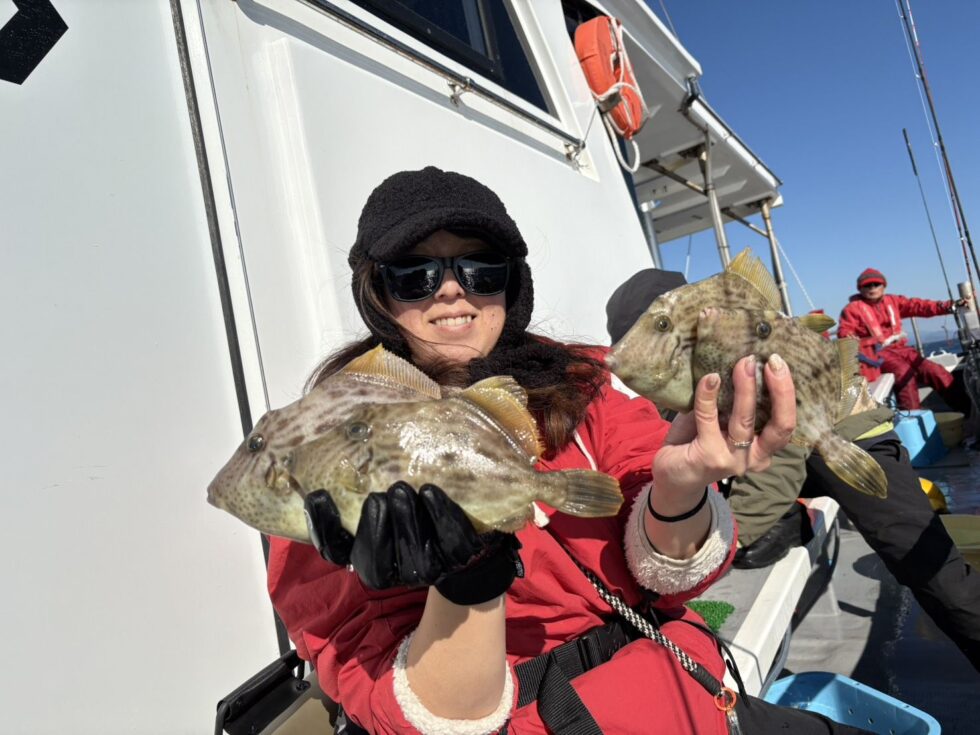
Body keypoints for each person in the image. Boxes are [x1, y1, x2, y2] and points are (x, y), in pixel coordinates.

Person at [266, 167, 871, 734]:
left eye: (481, 267)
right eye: (414, 274)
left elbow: (677, 572)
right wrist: (467, 589)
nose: (451, 291)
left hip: (681, 687)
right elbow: (385, 690)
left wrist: (682, 485)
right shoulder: (328, 443)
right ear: (378, 294)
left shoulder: (580, 382)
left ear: (513, 281)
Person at [606, 268, 980, 673]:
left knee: (926, 563)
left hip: (851, 436)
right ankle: (787, 522)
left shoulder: (734, 356)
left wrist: (726, 543)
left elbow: (780, 457)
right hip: (796, 456)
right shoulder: (685, 379)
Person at [837, 267, 967, 410]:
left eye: (876, 284)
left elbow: (920, 306)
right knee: (904, 374)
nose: (872, 288)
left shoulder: (894, 301)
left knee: (935, 371)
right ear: (860, 289)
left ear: (883, 286)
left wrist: (949, 306)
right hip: (878, 353)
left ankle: (966, 410)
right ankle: (912, 417)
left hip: (901, 349)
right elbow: (845, 329)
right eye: (867, 285)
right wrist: (847, 335)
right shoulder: (852, 309)